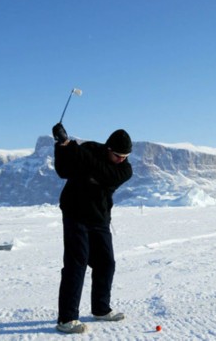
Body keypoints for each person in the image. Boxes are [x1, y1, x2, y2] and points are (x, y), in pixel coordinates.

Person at [52, 123, 133, 334]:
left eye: (125, 156)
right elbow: (63, 171)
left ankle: (100, 309)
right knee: (76, 263)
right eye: (118, 155)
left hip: (99, 218)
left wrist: (73, 148)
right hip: (75, 214)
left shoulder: (124, 169)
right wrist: (61, 146)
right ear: (108, 149)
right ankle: (67, 319)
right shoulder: (88, 149)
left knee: (106, 263)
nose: (122, 160)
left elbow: (105, 173)